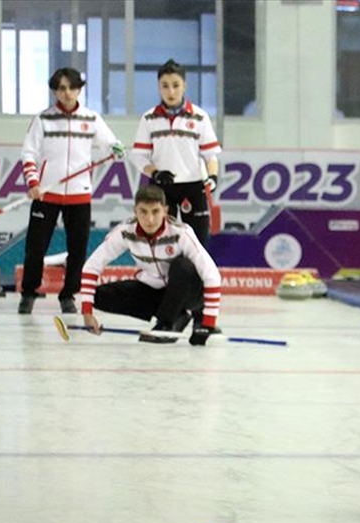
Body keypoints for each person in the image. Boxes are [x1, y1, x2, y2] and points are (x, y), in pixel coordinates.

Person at [18, 67, 124, 315]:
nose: (67, 93)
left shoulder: (91, 119)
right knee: (36, 246)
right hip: (46, 193)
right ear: (55, 90)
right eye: (62, 88)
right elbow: (28, 153)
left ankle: (68, 295)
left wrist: (117, 149)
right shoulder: (43, 119)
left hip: (79, 194)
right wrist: (33, 183)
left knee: (78, 247)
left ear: (79, 89)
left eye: (72, 88)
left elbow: (111, 144)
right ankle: (29, 293)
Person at [79, 185, 222, 346]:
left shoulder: (180, 233)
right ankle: (178, 317)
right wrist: (87, 312)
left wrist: (208, 323)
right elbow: (91, 266)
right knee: (99, 296)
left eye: (155, 211)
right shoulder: (125, 232)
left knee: (182, 266)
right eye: (144, 212)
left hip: (190, 294)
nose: (150, 219)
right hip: (158, 292)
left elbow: (212, 274)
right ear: (135, 211)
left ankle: (166, 323)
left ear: (165, 211)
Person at [130, 59, 221, 247]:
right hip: (161, 189)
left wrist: (213, 176)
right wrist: (155, 173)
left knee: (198, 245)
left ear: (184, 86)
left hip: (194, 188)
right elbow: (138, 156)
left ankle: (195, 277)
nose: (171, 91)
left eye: (176, 85)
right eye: (165, 86)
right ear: (158, 87)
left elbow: (210, 155)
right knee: (161, 243)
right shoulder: (148, 119)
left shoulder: (199, 117)